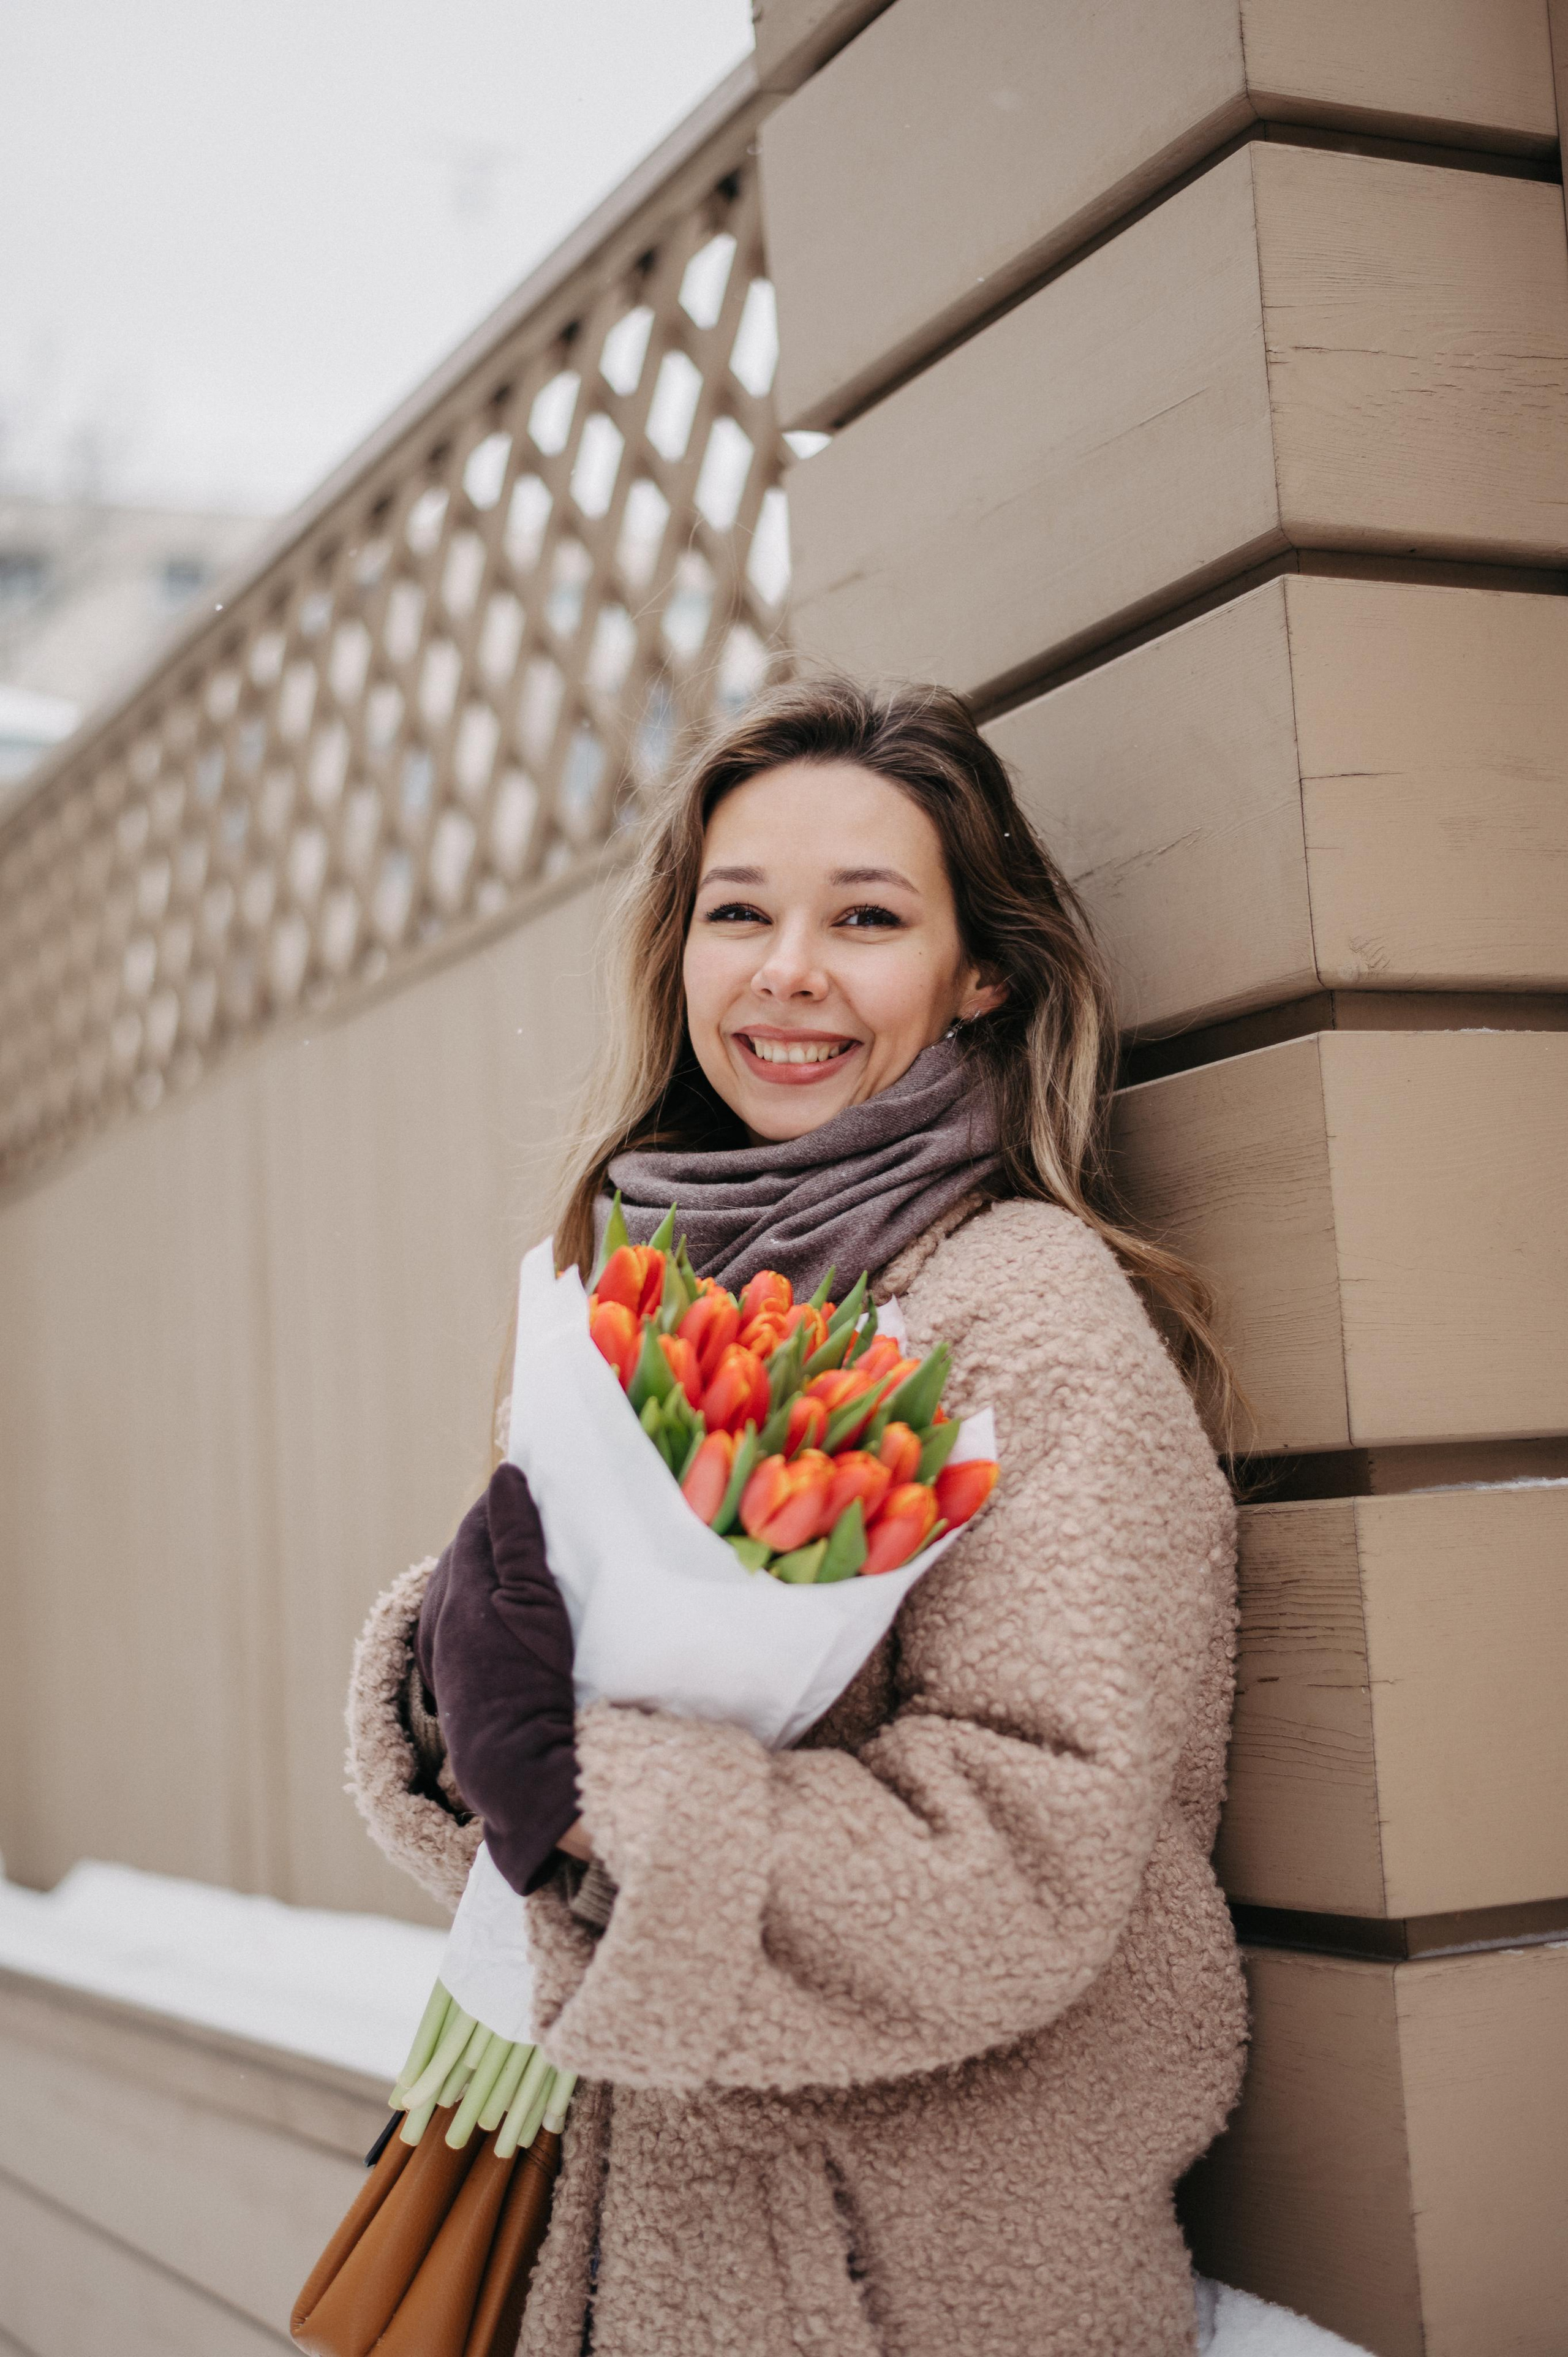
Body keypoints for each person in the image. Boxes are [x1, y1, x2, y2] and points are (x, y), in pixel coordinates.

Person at [347, 677, 1247, 2357]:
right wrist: (458, 1712)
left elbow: (1029, 1863)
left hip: (905, 2283)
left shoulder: (1020, 1313)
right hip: (622, 2223)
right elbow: (530, 1858)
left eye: (869, 918)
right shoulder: (618, 1295)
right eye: (740, 910)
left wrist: (594, 1788)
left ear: (982, 970)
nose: (788, 973)